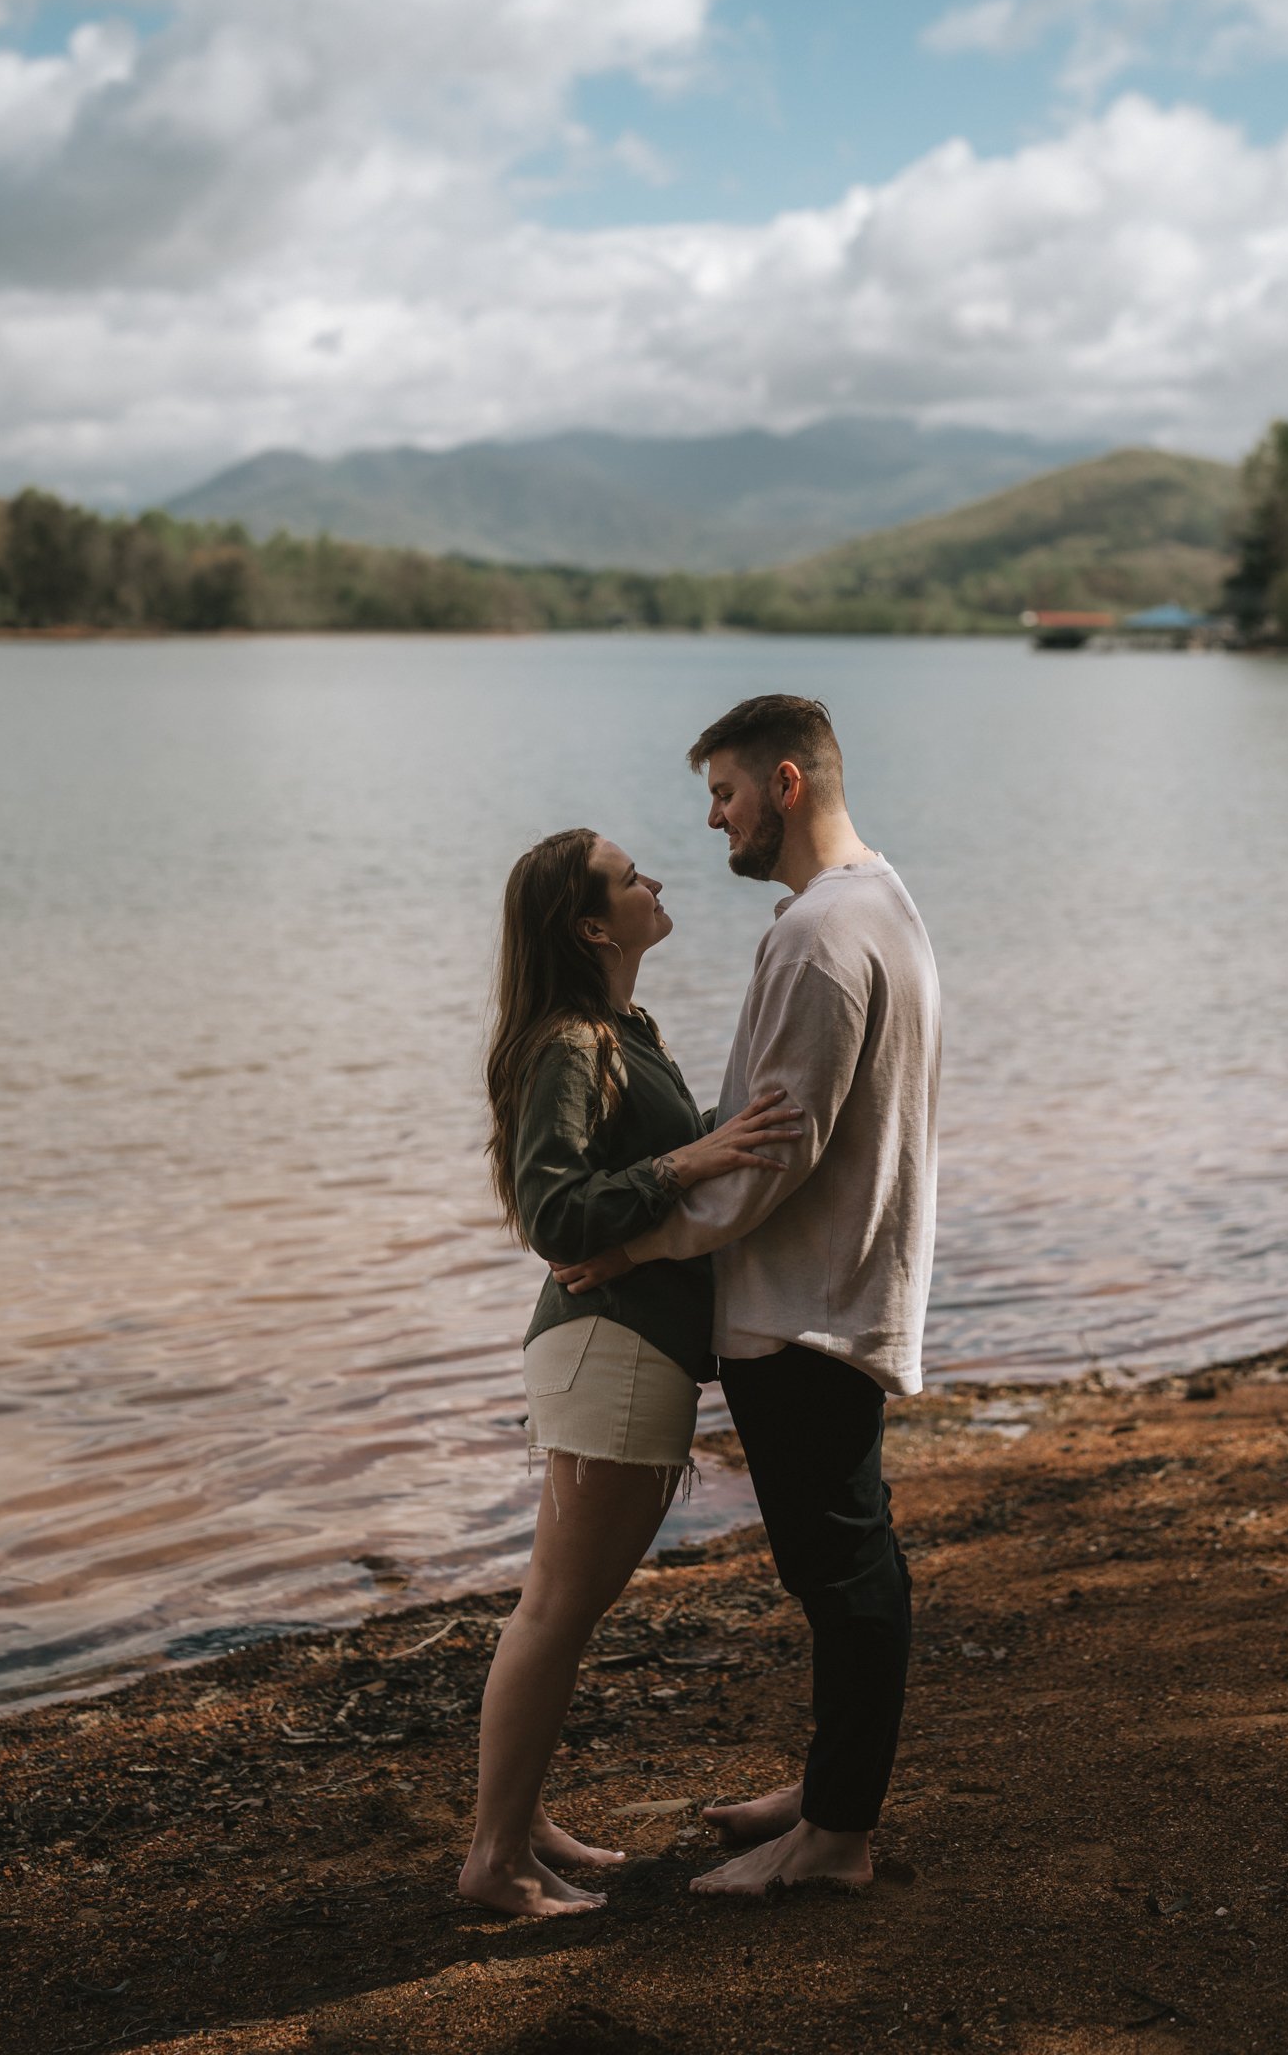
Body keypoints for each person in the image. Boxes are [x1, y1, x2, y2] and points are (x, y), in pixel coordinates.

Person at [554, 695, 941, 1898]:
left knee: (843, 1572)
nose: (710, 820)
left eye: (721, 794)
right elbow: (780, 1132)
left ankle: (834, 1836)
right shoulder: (877, 901)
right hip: (841, 1287)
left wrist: (634, 1246)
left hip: (801, 1308)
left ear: (782, 785)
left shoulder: (818, 936)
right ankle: (831, 1788)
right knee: (845, 1561)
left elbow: (773, 1156)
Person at [457, 825, 802, 1919]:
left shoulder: (619, 1029)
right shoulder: (572, 1040)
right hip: (601, 1342)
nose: (654, 879)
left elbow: (634, 1174)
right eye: (629, 875)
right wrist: (689, 1156)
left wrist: (709, 1138)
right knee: (557, 1606)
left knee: (566, 1603)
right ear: (592, 924)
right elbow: (557, 1210)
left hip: (624, 1347)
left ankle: (522, 1821)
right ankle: (496, 1862)